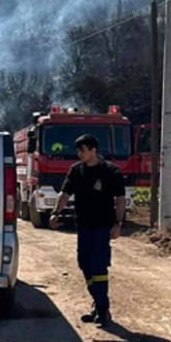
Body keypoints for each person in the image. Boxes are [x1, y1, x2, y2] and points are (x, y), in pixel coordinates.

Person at [50, 133, 126, 327]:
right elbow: (65, 193)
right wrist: (55, 213)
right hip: (83, 226)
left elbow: (120, 200)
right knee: (84, 265)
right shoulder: (76, 170)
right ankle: (98, 304)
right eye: (77, 150)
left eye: (81, 150)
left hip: (103, 226)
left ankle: (102, 310)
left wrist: (118, 224)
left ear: (93, 150)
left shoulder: (111, 171)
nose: (78, 154)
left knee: (98, 267)